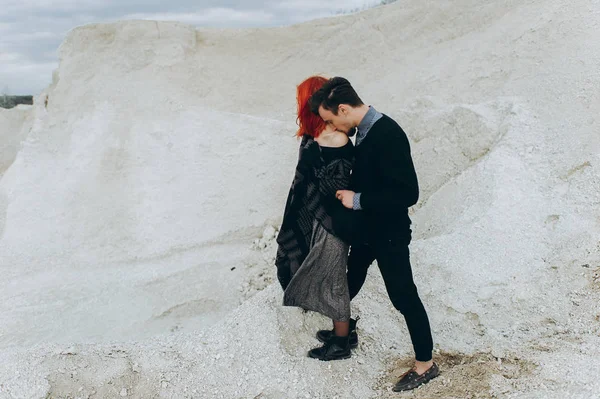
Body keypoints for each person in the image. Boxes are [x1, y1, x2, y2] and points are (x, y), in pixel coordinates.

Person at [308, 77, 440, 391]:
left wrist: (358, 199)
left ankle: (426, 364)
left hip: (389, 233)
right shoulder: (365, 132)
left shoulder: (387, 134)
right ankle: (343, 334)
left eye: (331, 120)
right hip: (368, 229)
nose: (334, 127)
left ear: (343, 109)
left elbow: (408, 193)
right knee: (351, 275)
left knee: (403, 296)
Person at [275, 76, 355, 361]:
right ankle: (342, 330)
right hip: (307, 217)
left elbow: (339, 185)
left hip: (331, 222)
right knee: (318, 273)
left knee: (333, 281)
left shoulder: (338, 139)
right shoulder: (313, 135)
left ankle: (342, 343)